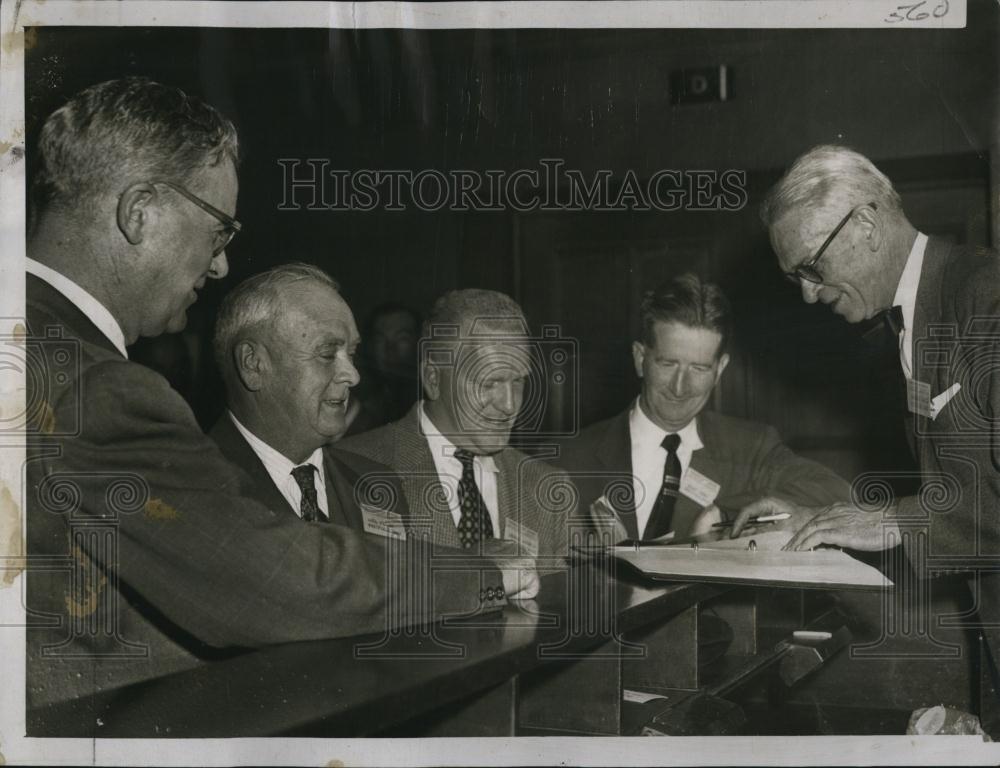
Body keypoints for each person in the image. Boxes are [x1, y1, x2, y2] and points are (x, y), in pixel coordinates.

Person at [23, 78, 531, 711]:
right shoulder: (98, 387)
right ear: (140, 211)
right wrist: (481, 572)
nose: (220, 267)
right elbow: (269, 581)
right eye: (217, 232)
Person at [748, 144, 1000, 725]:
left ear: (864, 223)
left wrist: (895, 520)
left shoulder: (984, 295)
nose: (808, 293)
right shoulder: (917, 314)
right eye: (795, 279)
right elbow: (963, 498)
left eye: (811, 268)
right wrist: (821, 520)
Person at [557, 273, 851, 542]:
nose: (679, 387)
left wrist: (725, 513)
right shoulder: (568, 459)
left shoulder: (750, 447)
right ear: (639, 358)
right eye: (668, 363)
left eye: (698, 368)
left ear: (720, 369)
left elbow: (836, 492)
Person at [338, 289, 572, 559]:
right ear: (433, 379)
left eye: (518, 380)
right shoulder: (350, 469)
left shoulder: (547, 487)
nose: (509, 405)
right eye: (489, 382)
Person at [210, 263, 407, 530]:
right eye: (327, 354)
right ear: (254, 364)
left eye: (351, 354)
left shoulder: (377, 486)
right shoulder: (191, 487)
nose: (352, 375)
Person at [343, 302, 423, 436]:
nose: (390, 349)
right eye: (380, 339)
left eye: (402, 339)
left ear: (418, 343)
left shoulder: (428, 399)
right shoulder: (356, 397)